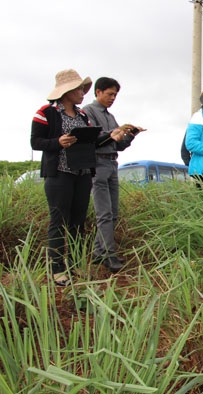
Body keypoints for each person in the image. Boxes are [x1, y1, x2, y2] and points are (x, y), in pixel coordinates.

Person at [30, 69, 95, 286]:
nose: (82, 93)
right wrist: (57, 142)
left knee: (78, 223)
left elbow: (89, 142)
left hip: (82, 173)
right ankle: (57, 269)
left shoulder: (83, 115)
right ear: (66, 91)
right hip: (59, 174)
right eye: (78, 89)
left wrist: (111, 136)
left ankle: (76, 265)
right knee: (58, 222)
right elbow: (35, 142)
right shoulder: (46, 113)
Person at [83, 77, 145, 272]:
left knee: (113, 213)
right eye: (109, 94)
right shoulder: (88, 112)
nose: (112, 98)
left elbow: (118, 145)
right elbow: (91, 139)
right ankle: (109, 255)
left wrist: (130, 135)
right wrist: (112, 133)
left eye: (115, 95)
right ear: (98, 92)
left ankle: (98, 253)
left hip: (111, 163)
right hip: (97, 163)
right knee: (104, 214)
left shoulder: (110, 116)